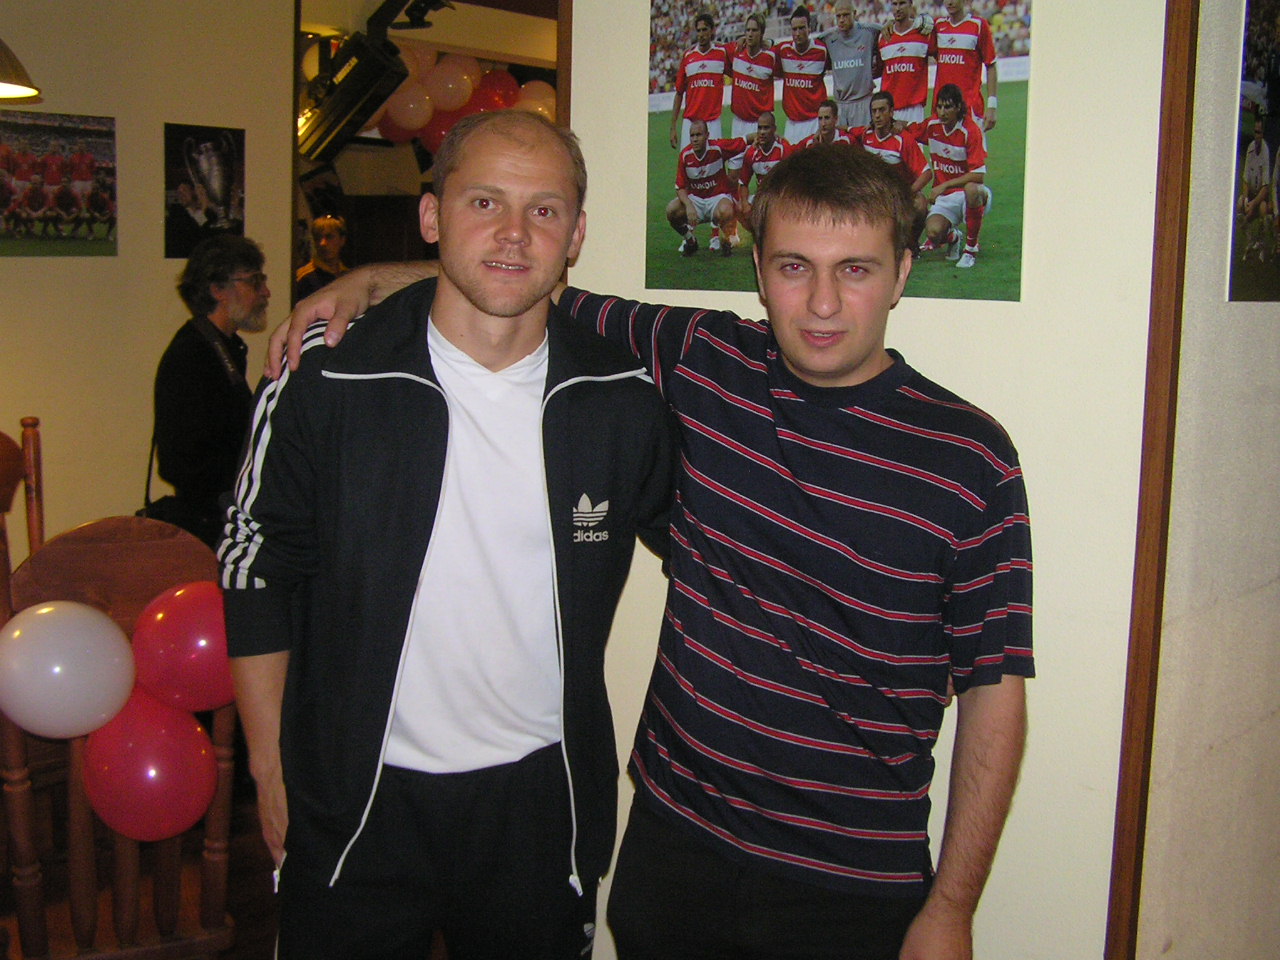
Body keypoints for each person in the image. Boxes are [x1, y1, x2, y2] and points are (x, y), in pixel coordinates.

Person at [279, 137, 1033, 960]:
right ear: (758, 269)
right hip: (674, 846)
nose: (822, 303)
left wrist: (952, 908)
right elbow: (516, 279)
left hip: (850, 882)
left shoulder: (970, 458)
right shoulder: (705, 362)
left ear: (902, 272)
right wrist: (367, 282)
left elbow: (994, 696)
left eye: (854, 269)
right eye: (794, 267)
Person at [219, 111, 675, 960]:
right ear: (432, 217)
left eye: (544, 210)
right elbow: (256, 564)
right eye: (484, 202)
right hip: (355, 795)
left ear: (576, 235)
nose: (514, 233)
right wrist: (269, 766)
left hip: (540, 806)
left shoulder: (620, 396)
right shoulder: (327, 372)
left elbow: (711, 553)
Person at [153, 235, 269, 547]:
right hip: (209, 529)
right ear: (218, 289)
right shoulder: (192, 354)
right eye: (255, 281)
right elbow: (179, 462)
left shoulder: (223, 348)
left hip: (223, 520)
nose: (265, 292)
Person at [920, 83, 990, 269]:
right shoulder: (932, 125)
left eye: (948, 107)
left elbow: (978, 175)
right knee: (933, 233)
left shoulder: (970, 130)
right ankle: (954, 237)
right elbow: (910, 131)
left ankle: (970, 250)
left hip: (970, 194)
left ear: (959, 107)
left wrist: (944, 185)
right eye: (939, 107)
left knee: (972, 189)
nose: (942, 112)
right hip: (946, 198)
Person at [852, 89, 929, 238]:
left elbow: (926, 173)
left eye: (882, 110)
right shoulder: (865, 134)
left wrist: (907, 193)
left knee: (920, 205)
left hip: (901, 192)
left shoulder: (903, 139)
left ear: (892, 112)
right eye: (874, 111)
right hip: (878, 193)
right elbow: (843, 130)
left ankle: (913, 242)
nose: (877, 115)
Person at [667, 118, 744, 257]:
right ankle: (690, 241)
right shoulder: (685, 155)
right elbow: (680, 187)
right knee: (672, 210)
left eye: (699, 135)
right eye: (692, 135)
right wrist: (689, 205)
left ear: (707, 135)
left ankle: (726, 240)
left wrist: (761, 137)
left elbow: (743, 141)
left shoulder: (718, 148)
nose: (695, 139)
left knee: (727, 210)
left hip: (717, 199)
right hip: (696, 201)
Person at [932, 0, 998, 131]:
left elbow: (991, 65)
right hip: (942, 109)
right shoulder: (937, 26)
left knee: (973, 145)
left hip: (969, 108)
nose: (950, 2)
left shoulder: (978, 25)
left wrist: (992, 106)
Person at [669, 12, 728, 152]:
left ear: (712, 31)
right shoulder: (688, 56)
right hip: (690, 123)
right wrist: (673, 127)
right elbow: (679, 93)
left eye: (705, 29)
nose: (701, 34)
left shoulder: (722, 53)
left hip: (713, 122)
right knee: (688, 163)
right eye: (699, 30)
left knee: (715, 163)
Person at [818, 0, 882, 130]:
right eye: (838, 16)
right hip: (840, 105)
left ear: (854, 13)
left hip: (863, 101)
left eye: (846, 15)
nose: (842, 20)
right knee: (842, 142)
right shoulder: (828, 38)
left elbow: (890, 30)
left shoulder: (870, 31)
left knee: (865, 141)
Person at [773, 6, 831, 143]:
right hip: (792, 123)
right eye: (794, 29)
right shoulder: (783, 50)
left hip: (815, 122)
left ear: (809, 28)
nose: (797, 33)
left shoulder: (822, 51)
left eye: (802, 28)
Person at [878, 0, 934, 126]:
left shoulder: (923, 34)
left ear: (910, 4)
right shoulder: (884, 36)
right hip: (890, 109)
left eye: (902, 3)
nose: (898, 8)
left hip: (914, 109)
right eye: (894, 4)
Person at [725, 12, 777, 142]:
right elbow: (715, 46)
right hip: (738, 123)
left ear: (762, 33)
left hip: (760, 125)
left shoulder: (771, 58)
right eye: (747, 30)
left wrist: (770, 42)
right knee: (736, 156)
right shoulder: (736, 51)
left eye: (754, 30)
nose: (750, 34)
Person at [736, 110, 790, 235]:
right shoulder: (752, 153)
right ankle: (758, 237)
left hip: (780, 196)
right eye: (760, 128)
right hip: (762, 196)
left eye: (766, 128)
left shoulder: (783, 149)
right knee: (739, 208)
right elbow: (743, 183)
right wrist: (745, 204)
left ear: (774, 129)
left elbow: (791, 180)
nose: (762, 132)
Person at [293, 213, 350, 303]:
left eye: (329, 237)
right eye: (318, 238)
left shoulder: (348, 276)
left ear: (342, 240)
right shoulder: (303, 277)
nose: (322, 243)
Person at [1238, 120, 1273, 261]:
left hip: (1260, 198)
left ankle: (1261, 244)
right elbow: (1245, 179)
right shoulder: (1250, 148)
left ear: (1262, 134)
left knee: (1264, 209)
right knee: (1239, 204)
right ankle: (1249, 241)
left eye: (1258, 132)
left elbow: (1266, 188)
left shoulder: (1265, 152)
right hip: (1251, 195)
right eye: (1255, 132)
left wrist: (1253, 204)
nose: (1256, 135)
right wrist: (1246, 200)